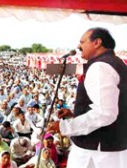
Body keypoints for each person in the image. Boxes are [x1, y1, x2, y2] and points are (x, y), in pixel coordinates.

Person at [47, 27, 127, 168]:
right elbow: (111, 104)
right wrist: (74, 112)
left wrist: (64, 126)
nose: (78, 46)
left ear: (97, 42)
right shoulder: (116, 63)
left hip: (97, 151)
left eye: (82, 42)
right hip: (110, 146)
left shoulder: (100, 67)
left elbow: (105, 113)